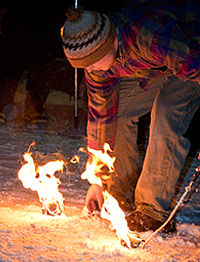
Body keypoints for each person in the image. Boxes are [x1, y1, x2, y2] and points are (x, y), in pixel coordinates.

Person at [61, 0, 200, 232]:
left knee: (167, 112)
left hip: (192, 45)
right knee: (120, 113)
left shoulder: (151, 35)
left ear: (107, 46)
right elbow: (101, 116)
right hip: (154, 63)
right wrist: (98, 180)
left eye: (93, 64)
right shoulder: (96, 65)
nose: (91, 71)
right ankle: (118, 191)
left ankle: (152, 211)